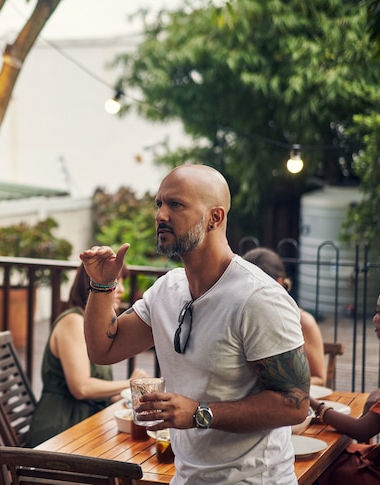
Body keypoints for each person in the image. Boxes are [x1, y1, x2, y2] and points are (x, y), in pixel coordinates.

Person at [80, 164, 310, 484]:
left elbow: (294, 404)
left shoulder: (258, 297)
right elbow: (104, 349)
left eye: (176, 205)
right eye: (159, 203)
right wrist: (102, 286)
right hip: (187, 476)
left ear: (215, 217)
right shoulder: (166, 289)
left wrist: (199, 412)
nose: (161, 215)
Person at [310, 277, 380, 484]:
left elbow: (361, 430)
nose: (374, 318)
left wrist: (311, 403)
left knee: (320, 469)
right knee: (336, 454)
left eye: (379, 311)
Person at [26, 266, 149, 446]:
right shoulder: (73, 322)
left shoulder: (96, 329)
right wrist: (131, 384)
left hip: (87, 425)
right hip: (60, 432)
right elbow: (81, 388)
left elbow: (98, 389)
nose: (122, 289)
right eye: (116, 282)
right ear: (91, 285)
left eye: (122, 282)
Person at [243, 247, 327, 386]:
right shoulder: (244, 320)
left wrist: (282, 389)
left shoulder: (304, 322)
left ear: (279, 283)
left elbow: (319, 378)